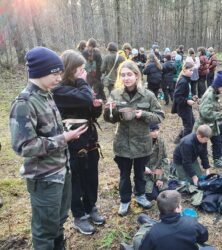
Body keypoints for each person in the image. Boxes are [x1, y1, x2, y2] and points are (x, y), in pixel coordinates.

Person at [9, 47, 87, 249]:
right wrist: (64, 137)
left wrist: (65, 128)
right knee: (45, 231)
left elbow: (48, 131)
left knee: (58, 222)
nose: (59, 78)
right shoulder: (24, 103)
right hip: (44, 178)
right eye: (55, 73)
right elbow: (24, 147)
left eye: (60, 73)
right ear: (39, 72)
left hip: (62, 171)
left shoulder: (46, 95)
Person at [52, 50, 105, 235]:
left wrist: (96, 107)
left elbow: (89, 109)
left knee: (92, 176)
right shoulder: (59, 90)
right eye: (80, 69)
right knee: (76, 179)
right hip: (72, 142)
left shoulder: (81, 86)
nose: (84, 72)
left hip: (89, 138)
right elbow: (83, 98)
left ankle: (91, 207)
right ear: (70, 69)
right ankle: (79, 215)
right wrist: (85, 85)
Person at [103, 61, 164, 216]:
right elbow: (109, 119)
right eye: (123, 75)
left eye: (129, 74)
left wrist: (142, 114)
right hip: (122, 142)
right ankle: (124, 201)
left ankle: (140, 195)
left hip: (142, 143)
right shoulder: (115, 94)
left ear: (137, 75)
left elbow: (159, 116)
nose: (126, 78)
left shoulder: (148, 95)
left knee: (140, 173)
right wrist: (110, 111)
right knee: (124, 175)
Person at [121, 190, 212, 250]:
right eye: (179, 205)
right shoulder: (191, 222)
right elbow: (204, 237)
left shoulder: (153, 232)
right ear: (177, 209)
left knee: (138, 240)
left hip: (157, 231)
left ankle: (130, 247)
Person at [193, 71, 222, 164]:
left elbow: (216, 107)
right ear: (218, 86)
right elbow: (205, 113)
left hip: (212, 125)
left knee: (217, 142)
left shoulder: (214, 93)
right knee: (201, 146)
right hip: (204, 125)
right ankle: (193, 161)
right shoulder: (209, 95)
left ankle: (217, 160)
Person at [172, 62, 198, 143]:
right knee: (188, 127)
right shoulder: (183, 82)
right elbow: (177, 97)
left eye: (193, 70)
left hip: (186, 107)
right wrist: (187, 101)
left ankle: (178, 139)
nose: (192, 72)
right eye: (190, 70)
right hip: (183, 108)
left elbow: (185, 94)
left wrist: (192, 97)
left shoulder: (186, 80)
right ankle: (183, 144)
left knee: (191, 123)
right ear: (184, 70)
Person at [144, 124, 169, 201]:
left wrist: (161, 178)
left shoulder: (161, 141)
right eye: (152, 131)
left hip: (158, 171)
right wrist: (143, 167)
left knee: (165, 193)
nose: (156, 133)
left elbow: (164, 160)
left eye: (157, 130)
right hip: (145, 174)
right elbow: (135, 161)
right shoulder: (142, 142)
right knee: (153, 195)